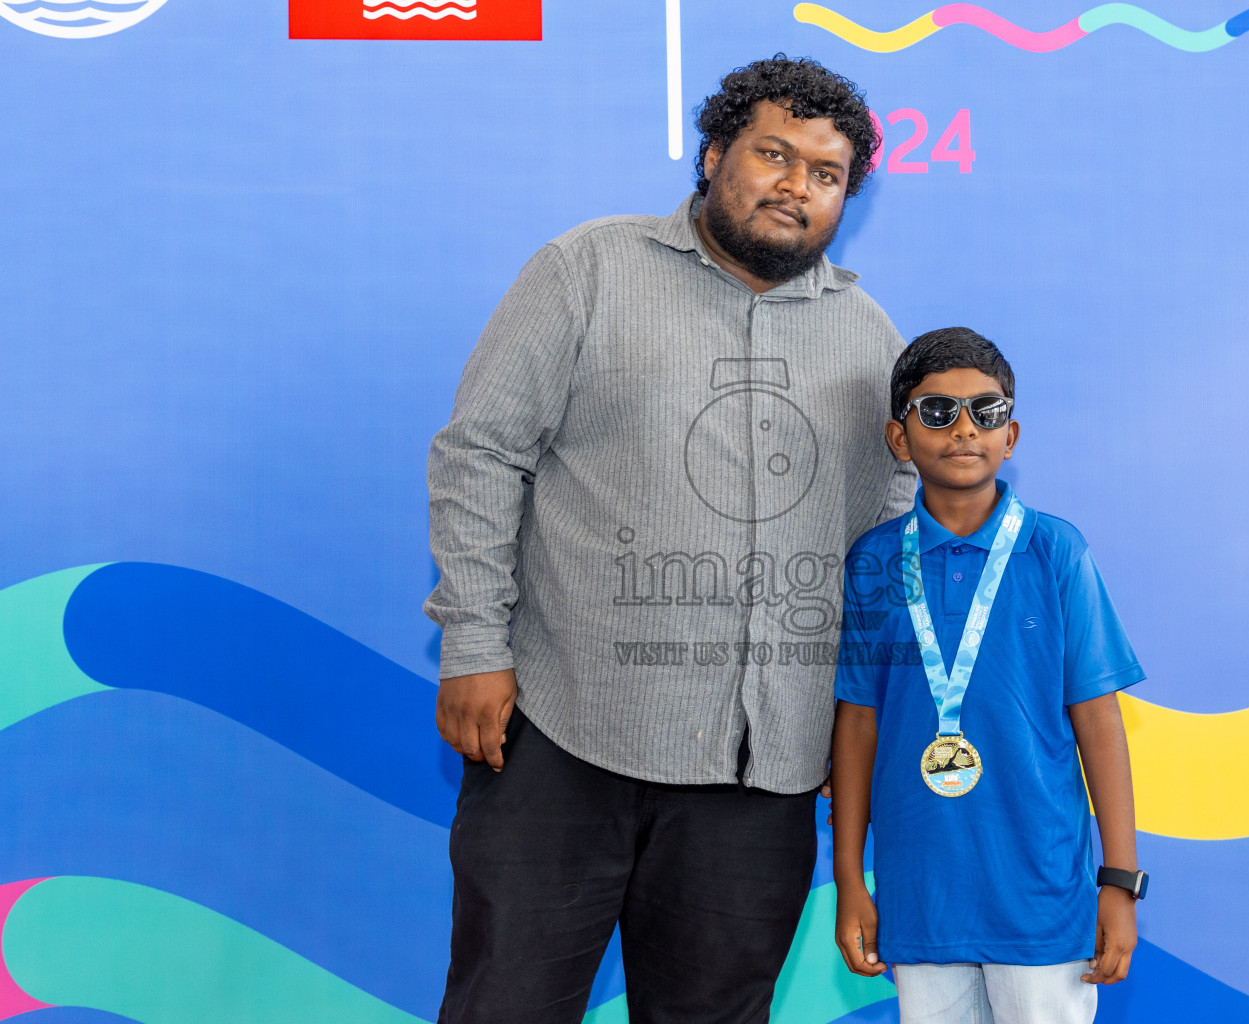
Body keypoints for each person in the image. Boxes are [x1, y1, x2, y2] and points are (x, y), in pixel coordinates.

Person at [424, 56, 916, 1024]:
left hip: (760, 769)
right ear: (713, 155)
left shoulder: (868, 338)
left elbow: (881, 539)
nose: (795, 186)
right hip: (563, 736)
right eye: (774, 154)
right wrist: (475, 646)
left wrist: (852, 710)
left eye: (825, 174)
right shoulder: (588, 270)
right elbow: (481, 455)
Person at [829, 327, 1147, 1024]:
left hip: (1039, 890)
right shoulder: (875, 562)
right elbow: (857, 724)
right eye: (937, 412)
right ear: (898, 437)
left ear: (1013, 434)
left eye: (987, 411)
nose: (964, 429)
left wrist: (1119, 883)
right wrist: (850, 880)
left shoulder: (1053, 552)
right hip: (923, 890)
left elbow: (1099, 723)